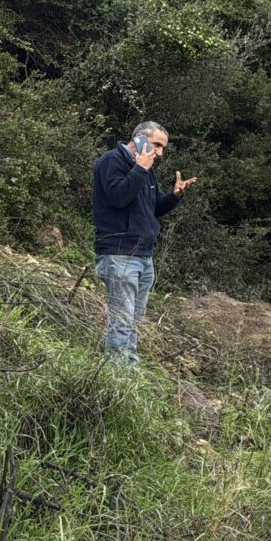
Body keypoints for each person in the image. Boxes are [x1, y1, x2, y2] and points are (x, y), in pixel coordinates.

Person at [91, 121, 196, 364]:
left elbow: (152, 209)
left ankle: (126, 371)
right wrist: (138, 169)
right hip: (120, 253)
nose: (160, 152)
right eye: (156, 144)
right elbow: (117, 197)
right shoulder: (112, 161)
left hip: (143, 255)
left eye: (163, 148)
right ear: (139, 138)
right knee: (122, 320)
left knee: (132, 320)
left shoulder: (146, 169)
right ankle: (119, 376)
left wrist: (175, 196)